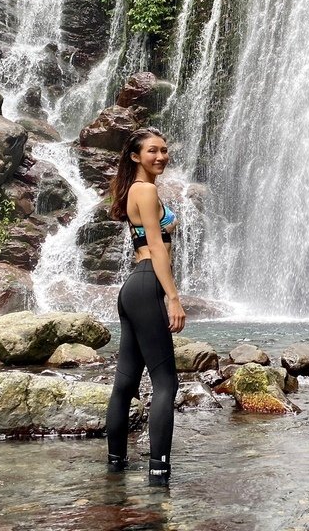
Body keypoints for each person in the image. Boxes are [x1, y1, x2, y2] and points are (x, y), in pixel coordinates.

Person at [105, 127, 186, 487]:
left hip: (131, 289)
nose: (161, 156)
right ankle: (159, 473)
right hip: (149, 284)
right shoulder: (147, 190)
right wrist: (173, 297)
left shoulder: (131, 191)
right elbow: (156, 248)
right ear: (136, 156)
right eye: (153, 151)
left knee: (125, 383)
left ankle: (116, 466)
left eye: (165, 150)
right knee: (166, 383)